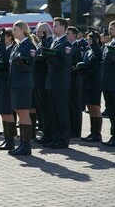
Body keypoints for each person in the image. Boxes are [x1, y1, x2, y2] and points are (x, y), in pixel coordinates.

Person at [43, 17, 73, 149]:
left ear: (63, 27)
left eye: (55, 26)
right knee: (53, 111)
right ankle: (55, 137)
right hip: (52, 82)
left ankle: (63, 139)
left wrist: (50, 57)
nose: (53, 28)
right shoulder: (55, 42)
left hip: (60, 83)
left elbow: (64, 64)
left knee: (62, 111)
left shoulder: (66, 44)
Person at [8, 20, 35, 155]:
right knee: (19, 113)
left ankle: (26, 145)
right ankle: (22, 143)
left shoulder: (29, 46)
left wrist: (22, 65)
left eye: (15, 29)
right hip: (16, 84)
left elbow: (31, 67)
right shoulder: (16, 46)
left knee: (24, 113)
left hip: (24, 84)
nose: (13, 32)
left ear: (23, 30)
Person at [0, 28, 17, 150]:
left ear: (10, 38)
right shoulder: (3, 48)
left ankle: (11, 140)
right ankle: (6, 138)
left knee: (8, 112)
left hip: (6, 84)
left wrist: (1, 44)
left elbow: (4, 60)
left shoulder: (12, 49)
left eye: (5, 37)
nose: (3, 39)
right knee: (2, 112)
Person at [77, 31, 103, 142]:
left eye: (91, 39)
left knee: (96, 108)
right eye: (88, 39)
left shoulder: (98, 50)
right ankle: (93, 132)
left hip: (95, 82)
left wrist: (94, 43)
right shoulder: (88, 52)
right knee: (90, 107)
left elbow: (97, 62)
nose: (89, 41)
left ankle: (97, 133)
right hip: (87, 81)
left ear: (97, 40)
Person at [33, 22, 54, 144]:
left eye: (39, 31)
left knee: (46, 108)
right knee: (42, 108)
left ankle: (48, 133)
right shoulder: (41, 42)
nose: (37, 33)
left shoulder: (50, 42)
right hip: (38, 79)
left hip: (44, 79)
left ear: (46, 31)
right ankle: (45, 132)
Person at [101, 20, 115, 146]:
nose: (109, 30)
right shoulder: (110, 43)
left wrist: (114, 60)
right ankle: (114, 135)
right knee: (111, 111)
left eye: (112, 28)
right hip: (108, 83)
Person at [66, 27, 83, 138]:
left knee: (75, 105)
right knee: (70, 105)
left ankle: (76, 130)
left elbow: (78, 63)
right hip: (68, 79)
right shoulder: (69, 46)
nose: (67, 35)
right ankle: (71, 128)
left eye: (68, 33)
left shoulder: (77, 47)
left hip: (75, 79)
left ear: (74, 35)